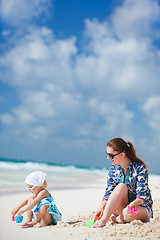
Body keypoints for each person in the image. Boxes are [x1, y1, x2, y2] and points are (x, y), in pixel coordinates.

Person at [93, 138, 153, 228]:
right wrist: (101, 207)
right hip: (123, 207)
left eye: (110, 155)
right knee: (121, 186)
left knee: (127, 213)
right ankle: (105, 219)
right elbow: (109, 191)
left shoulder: (139, 169)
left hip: (140, 208)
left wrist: (132, 205)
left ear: (122, 154)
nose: (108, 158)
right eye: (107, 154)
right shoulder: (113, 169)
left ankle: (115, 219)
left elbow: (142, 196)